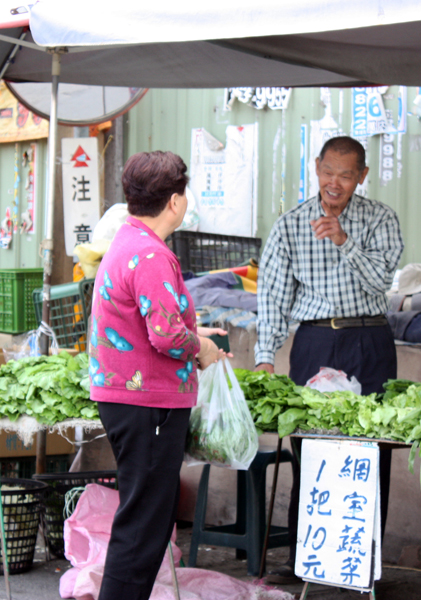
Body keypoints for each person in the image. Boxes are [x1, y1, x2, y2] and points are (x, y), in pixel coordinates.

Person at [254, 136, 404, 584]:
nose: (333, 183)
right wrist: (265, 356)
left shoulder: (381, 219)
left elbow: (383, 282)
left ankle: (363, 562)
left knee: (372, 450)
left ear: (362, 175)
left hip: (371, 340)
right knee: (311, 448)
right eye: (327, 172)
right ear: (315, 167)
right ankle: (307, 559)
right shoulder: (290, 224)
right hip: (315, 343)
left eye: (344, 174)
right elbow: (274, 296)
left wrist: (344, 241)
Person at [90, 150, 228, 600]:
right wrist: (202, 346)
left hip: (128, 400)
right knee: (144, 524)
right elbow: (166, 336)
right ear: (174, 201)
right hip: (146, 405)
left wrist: (193, 329)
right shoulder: (150, 254)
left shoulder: (127, 242)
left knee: (143, 517)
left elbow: (143, 319)